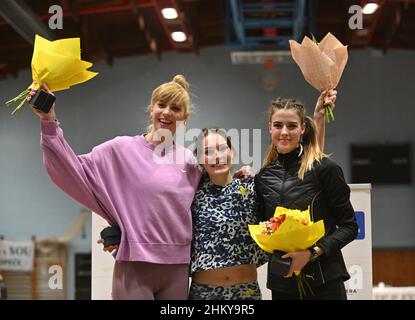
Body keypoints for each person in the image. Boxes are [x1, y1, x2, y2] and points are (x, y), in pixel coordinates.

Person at [29, 75, 204, 300]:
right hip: (135, 265)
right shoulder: (120, 149)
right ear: (151, 109)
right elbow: (72, 168)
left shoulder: (189, 161)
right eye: (161, 105)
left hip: (178, 268)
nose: (167, 112)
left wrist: (239, 177)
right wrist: (49, 121)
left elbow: (208, 199)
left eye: (175, 108)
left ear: (184, 117)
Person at [254, 96, 359, 300]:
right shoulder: (263, 177)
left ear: (302, 128)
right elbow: (263, 227)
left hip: (325, 282)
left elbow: (350, 227)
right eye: (278, 125)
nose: (284, 132)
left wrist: (312, 253)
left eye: (291, 126)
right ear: (270, 128)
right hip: (282, 285)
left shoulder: (325, 169)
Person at [188, 128, 268, 300]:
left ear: (232, 152)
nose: (217, 156)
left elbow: (304, 176)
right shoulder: (191, 193)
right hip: (204, 293)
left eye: (222, 149)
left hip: (247, 292)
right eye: (208, 151)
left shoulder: (251, 187)